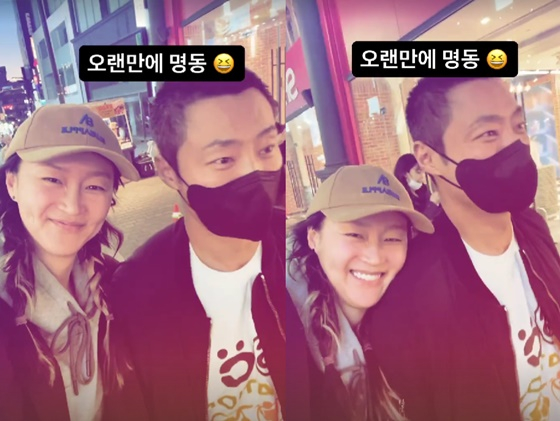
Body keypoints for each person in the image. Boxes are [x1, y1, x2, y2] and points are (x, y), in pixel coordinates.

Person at [367, 77, 560, 421]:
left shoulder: (534, 228)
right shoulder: (410, 291)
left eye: (519, 126)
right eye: (488, 133)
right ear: (428, 157)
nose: (515, 143)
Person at [108, 69, 286, 420]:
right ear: (167, 171)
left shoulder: (308, 261)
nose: (254, 171)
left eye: (267, 148)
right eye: (223, 159)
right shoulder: (134, 296)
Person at [0, 104, 143, 421]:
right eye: (52, 179)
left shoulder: (116, 283)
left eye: (94, 186)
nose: (73, 206)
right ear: (12, 183)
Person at [287, 165, 434, 421]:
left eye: (392, 238)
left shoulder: (415, 315)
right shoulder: (283, 332)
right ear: (313, 238)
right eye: (355, 234)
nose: (375, 257)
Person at [394, 153, 440, 220]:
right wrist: (433, 204)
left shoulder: (423, 190)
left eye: (422, 171)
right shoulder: (401, 199)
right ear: (405, 174)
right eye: (418, 171)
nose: (422, 176)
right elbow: (419, 223)